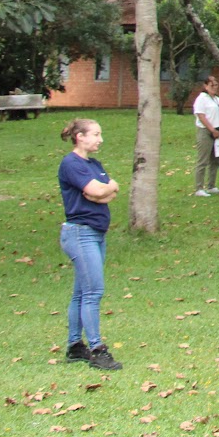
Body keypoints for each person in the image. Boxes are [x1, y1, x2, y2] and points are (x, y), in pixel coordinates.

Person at [58, 118, 122, 371]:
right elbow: (96, 192)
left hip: (96, 233)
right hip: (79, 233)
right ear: (80, 137)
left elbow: (108, 192)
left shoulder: (94, 164)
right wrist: (103, 190)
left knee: (82, 293)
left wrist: (106, 189)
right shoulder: (71, 163)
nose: (100, 139)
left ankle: (75, 346)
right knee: (93, 292)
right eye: (95, 134)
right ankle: (97, 349)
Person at [193, 76, 219, 197]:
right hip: (206, 131)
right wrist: (212, 129)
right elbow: (201, 115)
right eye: (211, 85)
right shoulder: (202, 98)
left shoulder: (218, 99)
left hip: (218, 131)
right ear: (206, 86)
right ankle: (199, 187)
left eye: (216, 85)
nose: (214, 87)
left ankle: (211, 185)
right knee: (203, 159)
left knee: (215, 160)